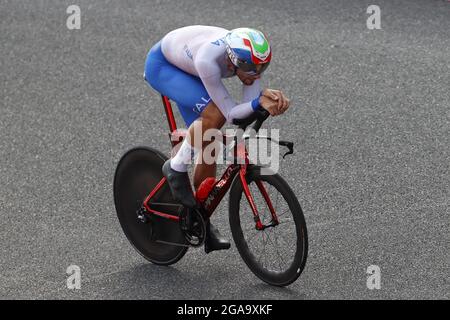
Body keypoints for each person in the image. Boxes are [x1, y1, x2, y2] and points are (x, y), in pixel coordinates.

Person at [144, 25, 290, 253]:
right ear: (234, 61)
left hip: (190, 70)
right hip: (164, 66)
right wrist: (257, 102)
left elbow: (246, 112)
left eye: (264, 65)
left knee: (209, 142)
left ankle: (199, 217)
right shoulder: (208, 60)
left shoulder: (249, 61)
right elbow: (231, 114)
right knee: (216, 114)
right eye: (253, 67)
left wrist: (265, 103)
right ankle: (175, 167)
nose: (258, 72)